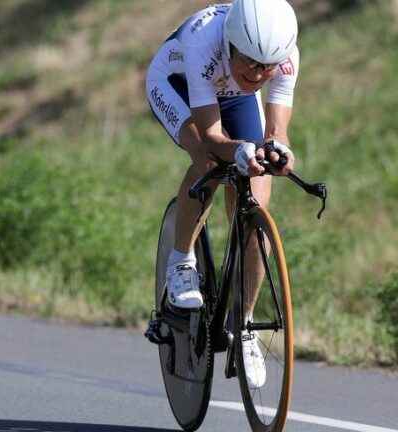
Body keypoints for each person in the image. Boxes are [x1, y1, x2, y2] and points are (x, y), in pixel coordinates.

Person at [145, 0, 300, 388]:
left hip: (231, 95)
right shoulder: (203, 42)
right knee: (208, 162)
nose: (258, 72)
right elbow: (214, 139)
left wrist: (278, 152)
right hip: (176, 84)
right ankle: (181, 262)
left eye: (266, 67)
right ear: (231, 44)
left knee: (256, 205)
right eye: (249, 61)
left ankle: (243, 325)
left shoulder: (282, 55)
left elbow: (277, 132)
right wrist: (239, 151)